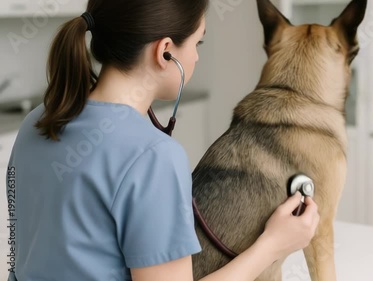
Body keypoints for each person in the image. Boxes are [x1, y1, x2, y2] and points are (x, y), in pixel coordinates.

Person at [6, 0, 320, 280]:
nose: (196, 57)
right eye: (198, 43)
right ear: (165, 51)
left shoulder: (37, 120)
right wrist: (273, 245)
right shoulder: (152, 157)